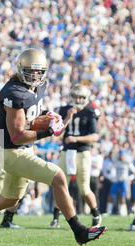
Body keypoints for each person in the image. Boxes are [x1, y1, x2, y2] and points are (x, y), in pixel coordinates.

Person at [0, 48, 106, 246]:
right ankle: (79, 230)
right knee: (58, 177)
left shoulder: (38, 88)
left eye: (39, 72)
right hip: (12, 152)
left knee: (9, 200)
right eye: (31, 71)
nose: (35, 76)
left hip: (23, 150)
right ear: (21, 69)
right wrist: (48, 131)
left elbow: (33, 114)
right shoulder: (14, 93)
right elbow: (17, 135)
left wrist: (49, 115)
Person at [50, 83, 102, 228]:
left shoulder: (90, 112)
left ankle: (96, 214)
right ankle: (55, 218)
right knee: (59, 185)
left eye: (81, 97)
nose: (78, 100)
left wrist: (76, 139)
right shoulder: (65, 109)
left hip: (82, 152)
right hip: (67, 151)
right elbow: (58, 131)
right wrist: (67, 117)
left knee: (84, 188)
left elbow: (94, 136)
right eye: (76, 97)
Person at [106, 150, 135, 216]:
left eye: (122, 155)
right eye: (120, 155)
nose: (121, 157)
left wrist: (129, 178)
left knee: (122, 196)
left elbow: (134, 171)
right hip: (116, 180)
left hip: (124, 181)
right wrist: (111, 177)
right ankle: (109, 211)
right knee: (111, 195)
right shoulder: (115, 161)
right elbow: (108, 170)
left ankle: (122, 212)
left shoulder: (127, 162)